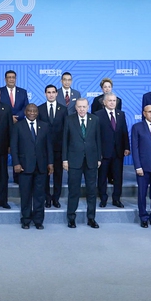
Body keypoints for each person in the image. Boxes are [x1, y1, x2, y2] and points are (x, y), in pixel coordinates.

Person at [11, 104, 53, 230]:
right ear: (25, 112)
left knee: (40, 195)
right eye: (30, 111)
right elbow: (14, 146)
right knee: (26, 195)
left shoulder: (45, 126)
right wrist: (16, 163)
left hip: (41, 166)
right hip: (24, 167)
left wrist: (50, 163)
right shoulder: (18, 126)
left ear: (38, 112)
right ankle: (26, 220)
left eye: (35, 111)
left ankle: (38, 221)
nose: (32, 113)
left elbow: (49, 146)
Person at [62, 98, 102, 229]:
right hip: (74, 160)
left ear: (88, 107)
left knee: (91, 191)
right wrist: (65, 159)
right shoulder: (69, 119)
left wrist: (99, 158)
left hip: (91, 160)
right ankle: (71, 218)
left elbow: (98, 139)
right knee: (73, 191)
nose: (82, 109)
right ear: (76, 107)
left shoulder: (94, 119)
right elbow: (65, 141)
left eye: (84, 107)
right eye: (79, 107)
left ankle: (91, 218)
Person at [94, 92, 130, 208]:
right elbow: (96, 135)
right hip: (104, 152)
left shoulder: (121, 114)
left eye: (114, 101)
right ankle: (103, 198)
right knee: (102, 177)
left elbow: (124, 131)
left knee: (118, 177)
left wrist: (127, 147)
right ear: (104, 102)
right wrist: (97, 152)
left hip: (118, 151)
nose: (112, 103)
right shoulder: (97, 115)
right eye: (110, 100)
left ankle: (116, 199)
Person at [37, 84, 65, 208]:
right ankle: (47, 198)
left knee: (58, 175)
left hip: (59, 148)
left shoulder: (63, 109)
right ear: (45, 94)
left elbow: (66, 130)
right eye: (49, 92)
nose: (51, 94)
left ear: (57, 93)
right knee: (45, 175)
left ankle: (56, 198)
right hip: (43, 149)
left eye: (53, 92)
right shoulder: (39, 109)